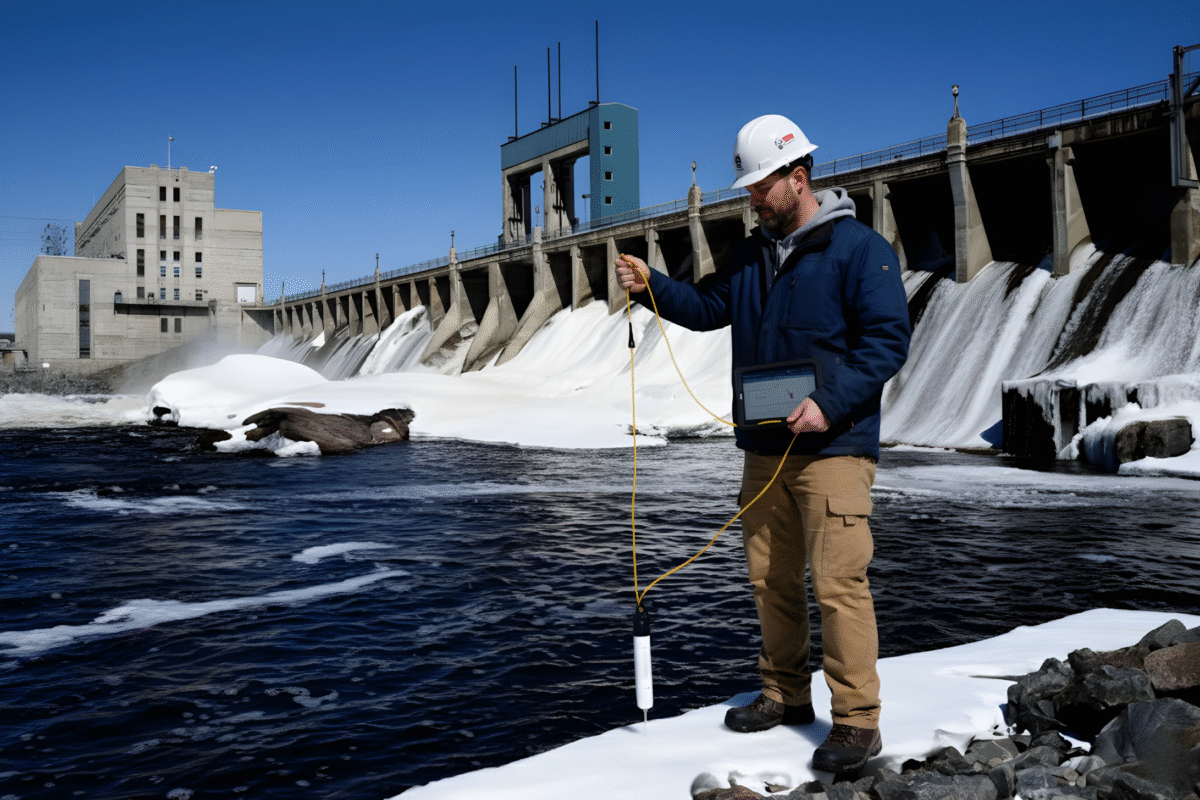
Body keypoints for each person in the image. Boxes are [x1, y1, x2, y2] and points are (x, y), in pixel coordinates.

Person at [614, 114, 910, 774]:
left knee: (838, 585)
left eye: (759, 188)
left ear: (797, 178)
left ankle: (857, 721)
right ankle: (784, 693)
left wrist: (829, 402)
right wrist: (652, 286)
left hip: (835, 448)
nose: (751, 199)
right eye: (748, 188)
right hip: (765, 449)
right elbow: (705, 308)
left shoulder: (859, 249)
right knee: (769, 579)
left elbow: (887, 341)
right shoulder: (752, 255)